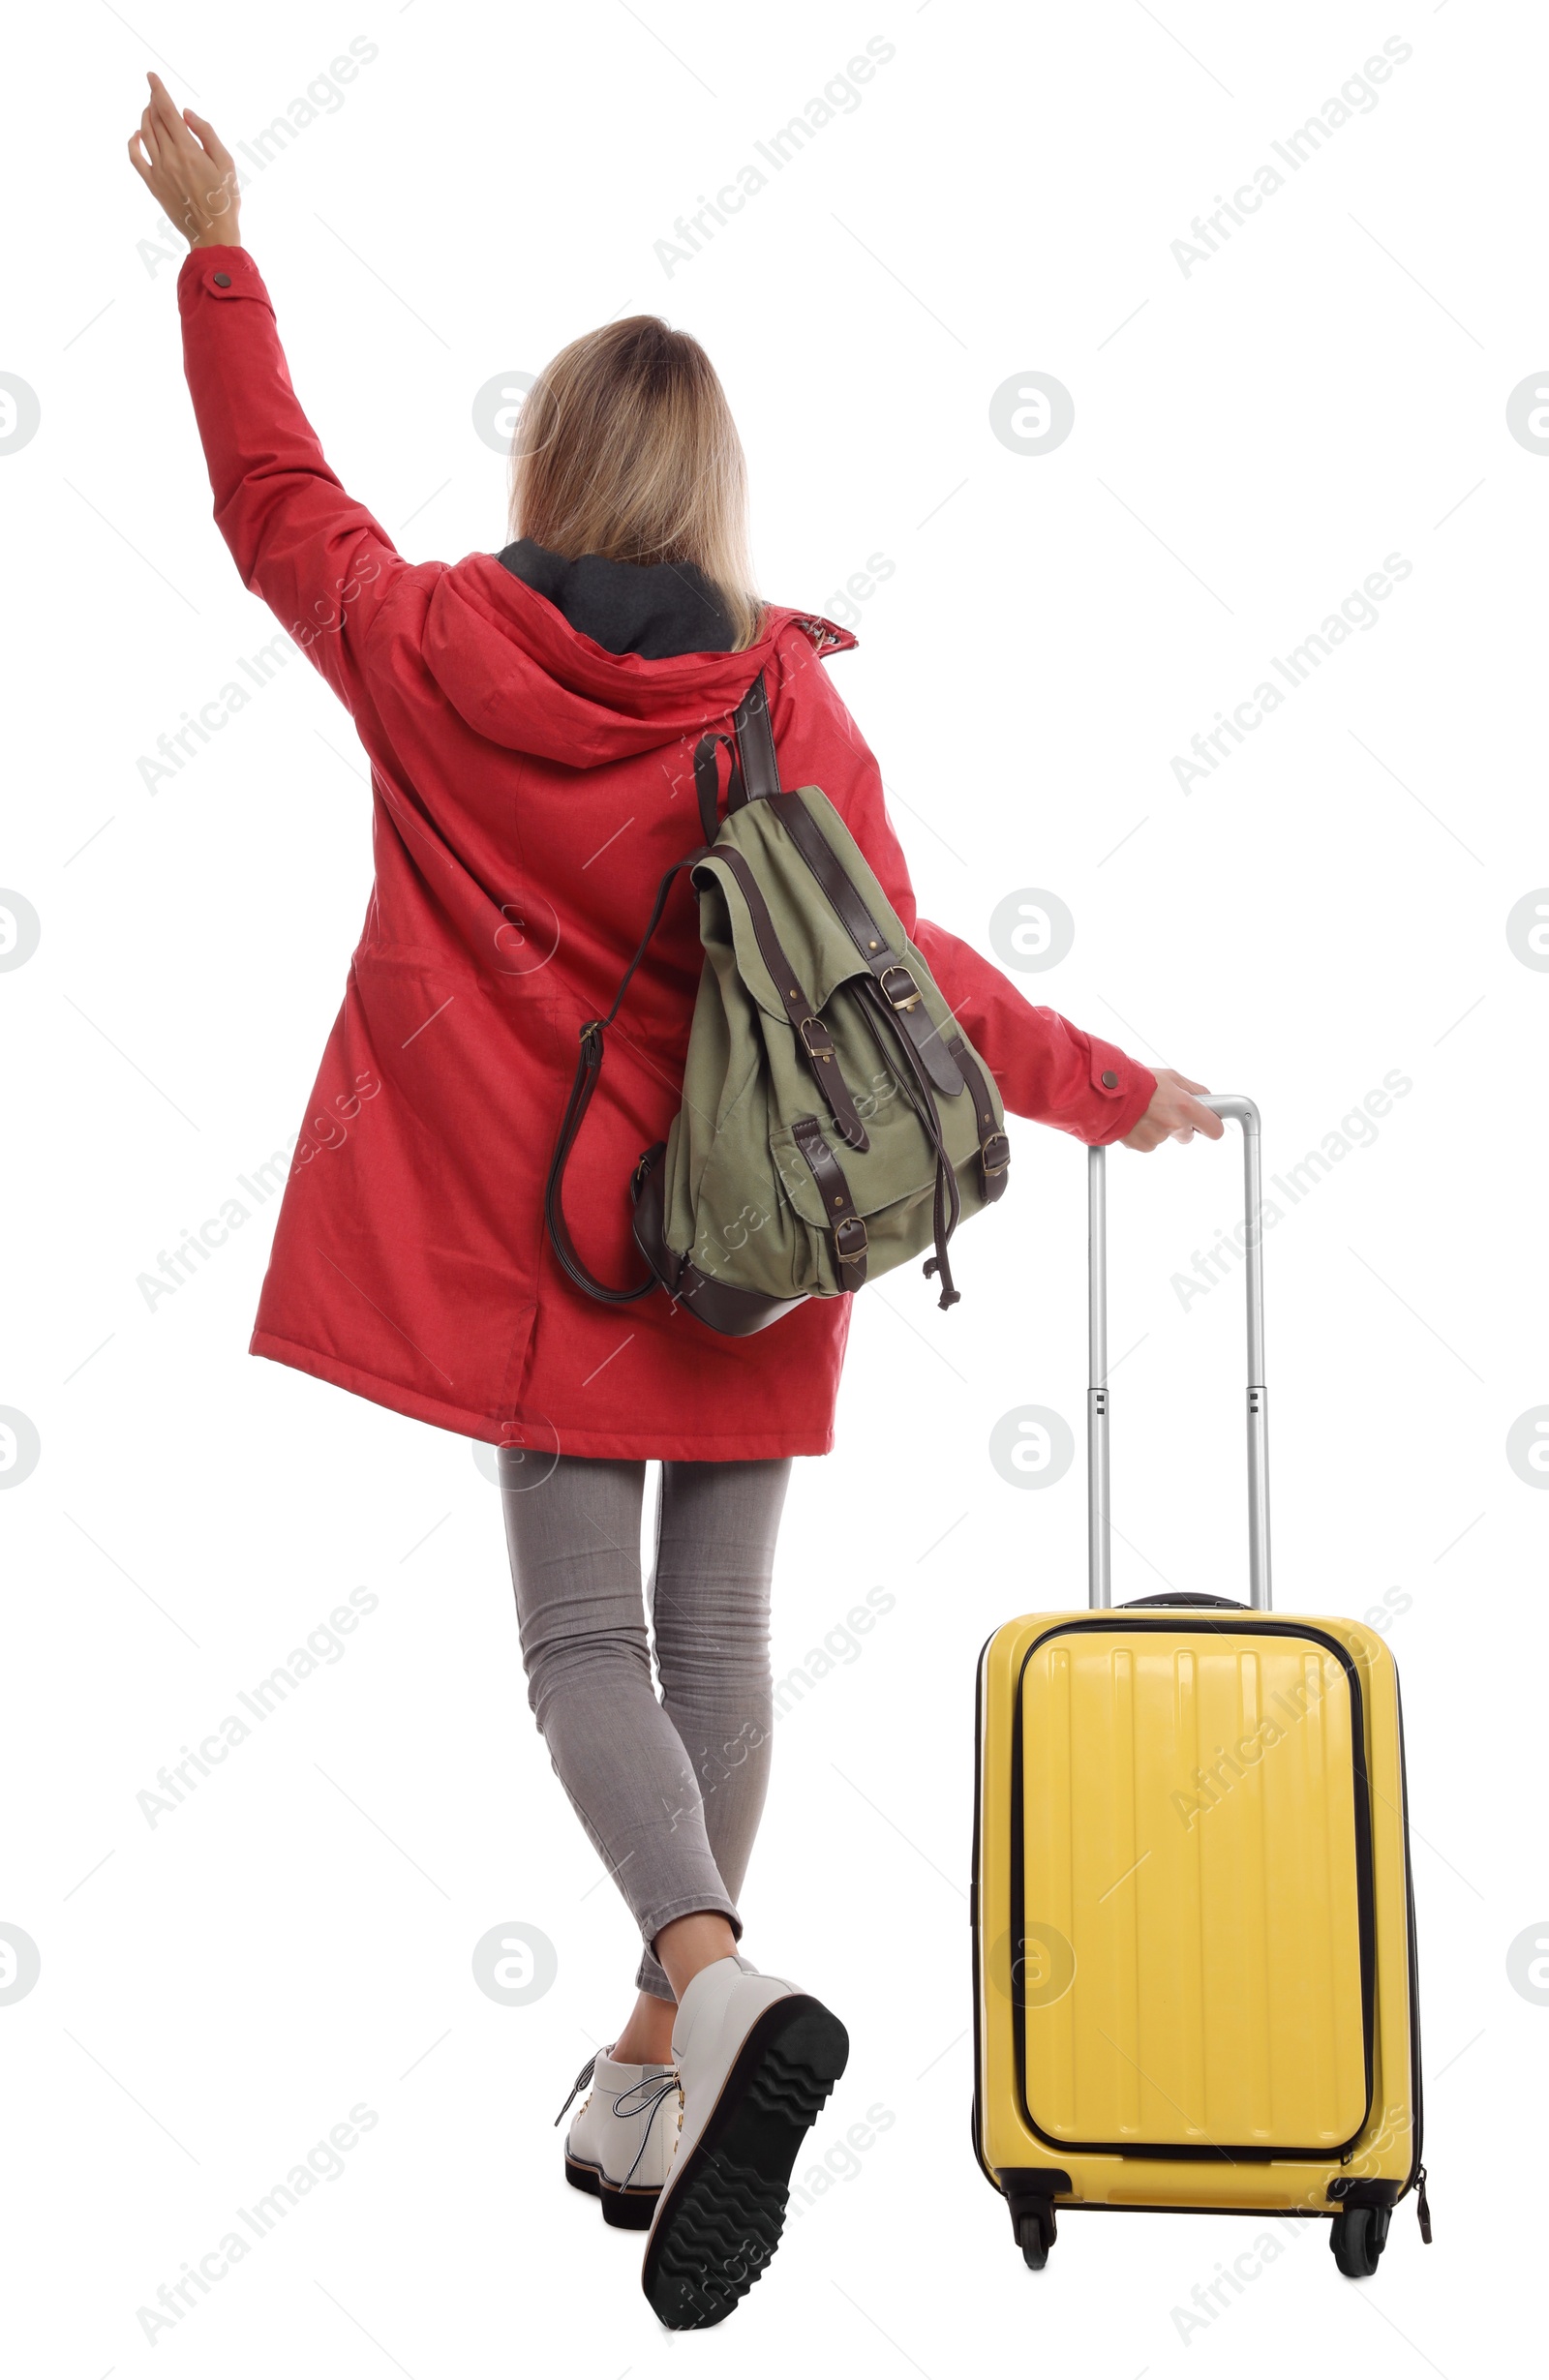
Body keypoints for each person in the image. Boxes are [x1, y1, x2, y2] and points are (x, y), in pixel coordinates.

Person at [128, 71, 1224, 2330]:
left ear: (549, 472)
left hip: (552, 1260)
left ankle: (701, 1989)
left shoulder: (430, 652)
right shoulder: (780, 709)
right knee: (711, 1643)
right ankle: (653, 2070)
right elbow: (906, 984)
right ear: (711, 485)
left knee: (574, 1650)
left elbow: (274, 503)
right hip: (762, 1239)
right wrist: (1115, 1096)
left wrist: (216, 245)